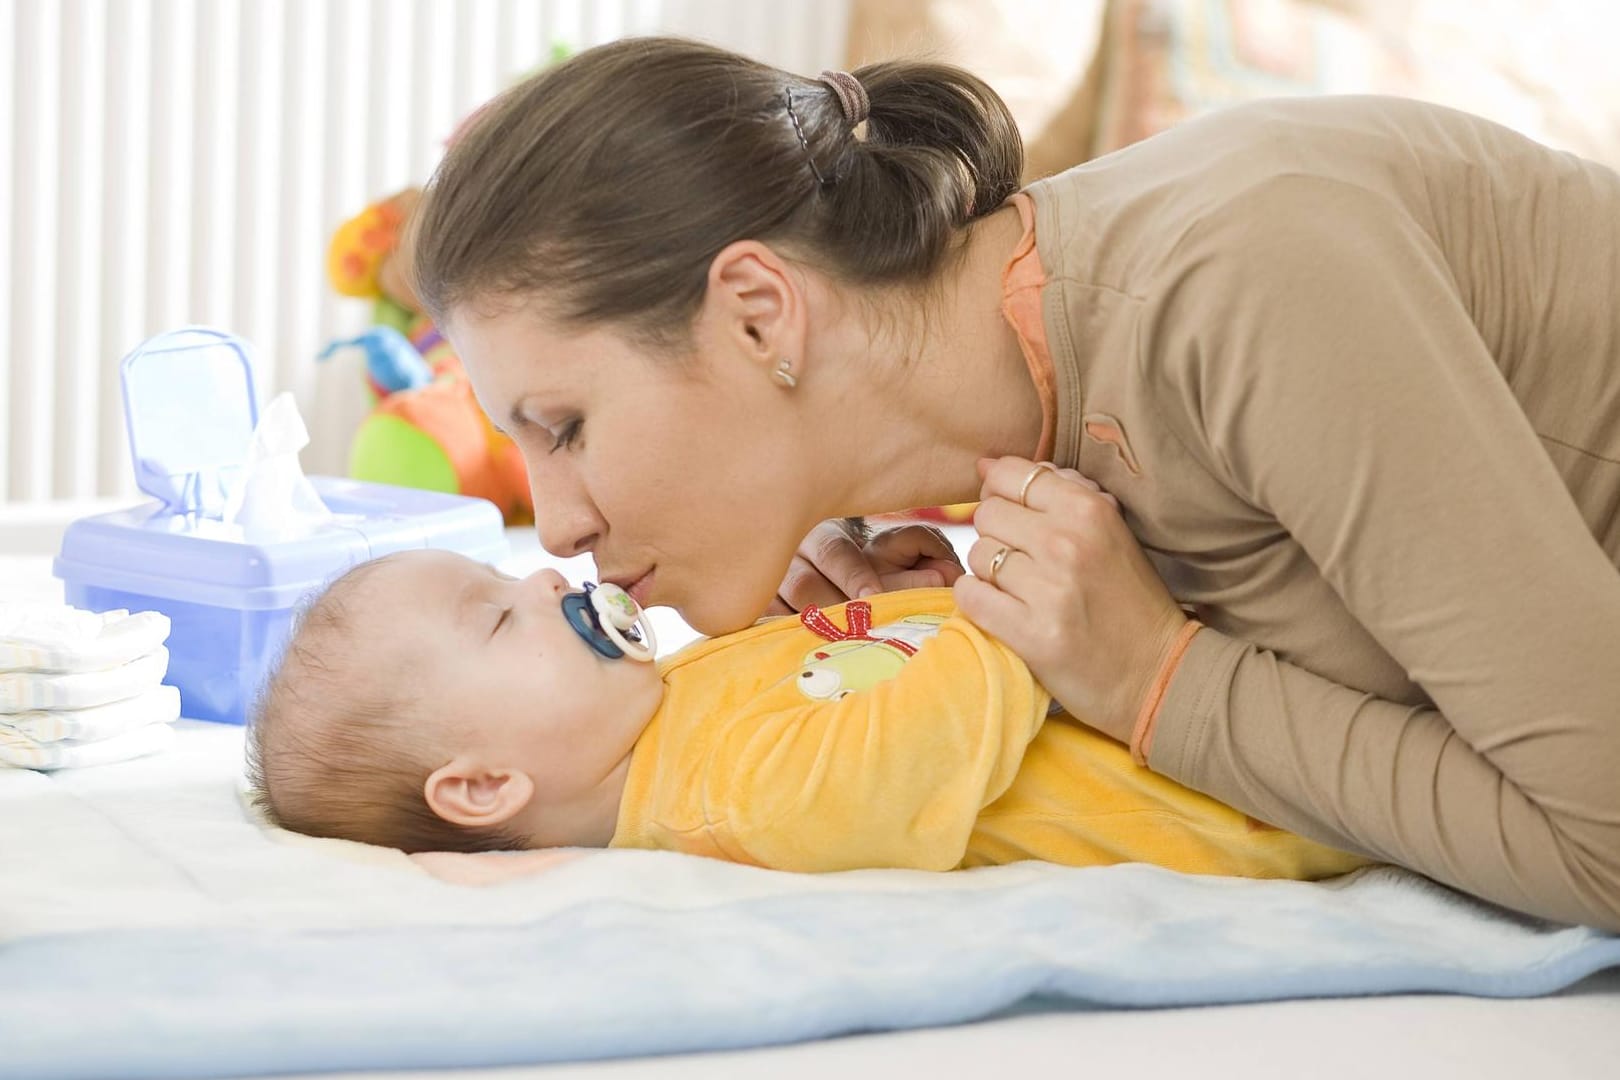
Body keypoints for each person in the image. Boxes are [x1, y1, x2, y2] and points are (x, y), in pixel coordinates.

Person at [401, 37, 1620, 929]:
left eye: (563, 426)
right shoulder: (999, 450)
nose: (555, 527)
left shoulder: (1243, 287)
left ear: (761, 315)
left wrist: (1157, 681)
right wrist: (950, 640)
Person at [245, 548, 1368, 886]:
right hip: (1251, 784)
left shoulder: (671, 698)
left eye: (509, 577)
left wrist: (912, 589)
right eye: (497, 621)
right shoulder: (722, 805)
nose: (544, 582)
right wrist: (1009, 605)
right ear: (485, 787)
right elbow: (914, 744)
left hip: (1189, 682)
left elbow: (866, 670)